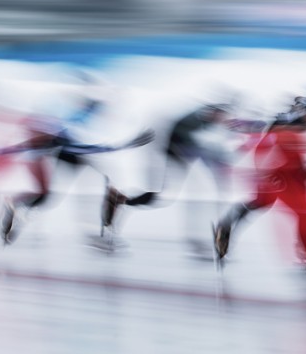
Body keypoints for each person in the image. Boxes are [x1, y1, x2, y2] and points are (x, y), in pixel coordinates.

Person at [213, 90, 306, 292]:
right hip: (279, 170)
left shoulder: (305, 121)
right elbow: (293, 153)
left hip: (285, 166)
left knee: (265, 200)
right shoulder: (289, 131)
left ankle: (227, 225)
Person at [101, 99, 263, 255]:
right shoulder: (193, 122)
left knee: (173, 195)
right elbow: (200, 147)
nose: (222, 121)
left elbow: (216, 144)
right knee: (163, 197)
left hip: (184, 154)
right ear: (212, 112)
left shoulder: (205, 120)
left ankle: (200, 239)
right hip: (176, 154)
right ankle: (121, 198)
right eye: (220, 116)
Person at [0, 90, 153, 245]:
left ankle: (107, 228)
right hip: (71, 152)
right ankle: (106, 229)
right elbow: (92, 148)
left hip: (68, 152)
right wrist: (129, 144)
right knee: (103, 187)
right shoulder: (70, 129)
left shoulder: (70, 124)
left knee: (48, 196)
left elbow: (85, 146)